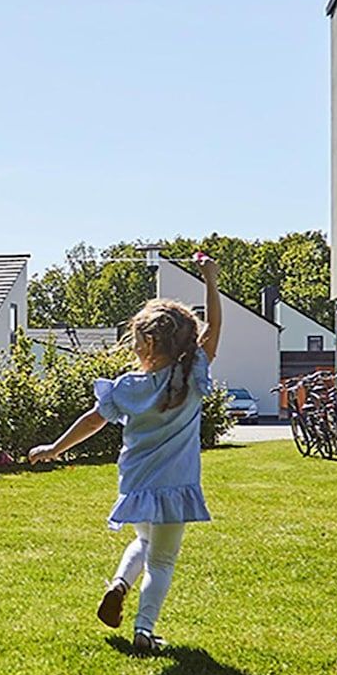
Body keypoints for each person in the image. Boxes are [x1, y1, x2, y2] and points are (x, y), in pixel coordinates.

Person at [28, 258, 224, 652]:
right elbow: (214, 328)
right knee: (162, 560)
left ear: (146, 344)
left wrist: (54, 449)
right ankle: (144, 631)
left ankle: (119, 584)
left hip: (136, 482)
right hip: (175, 486)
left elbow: (92, 421)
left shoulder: (127, 386)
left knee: (144, 540)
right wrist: (210, 279)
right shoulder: (190, 375)